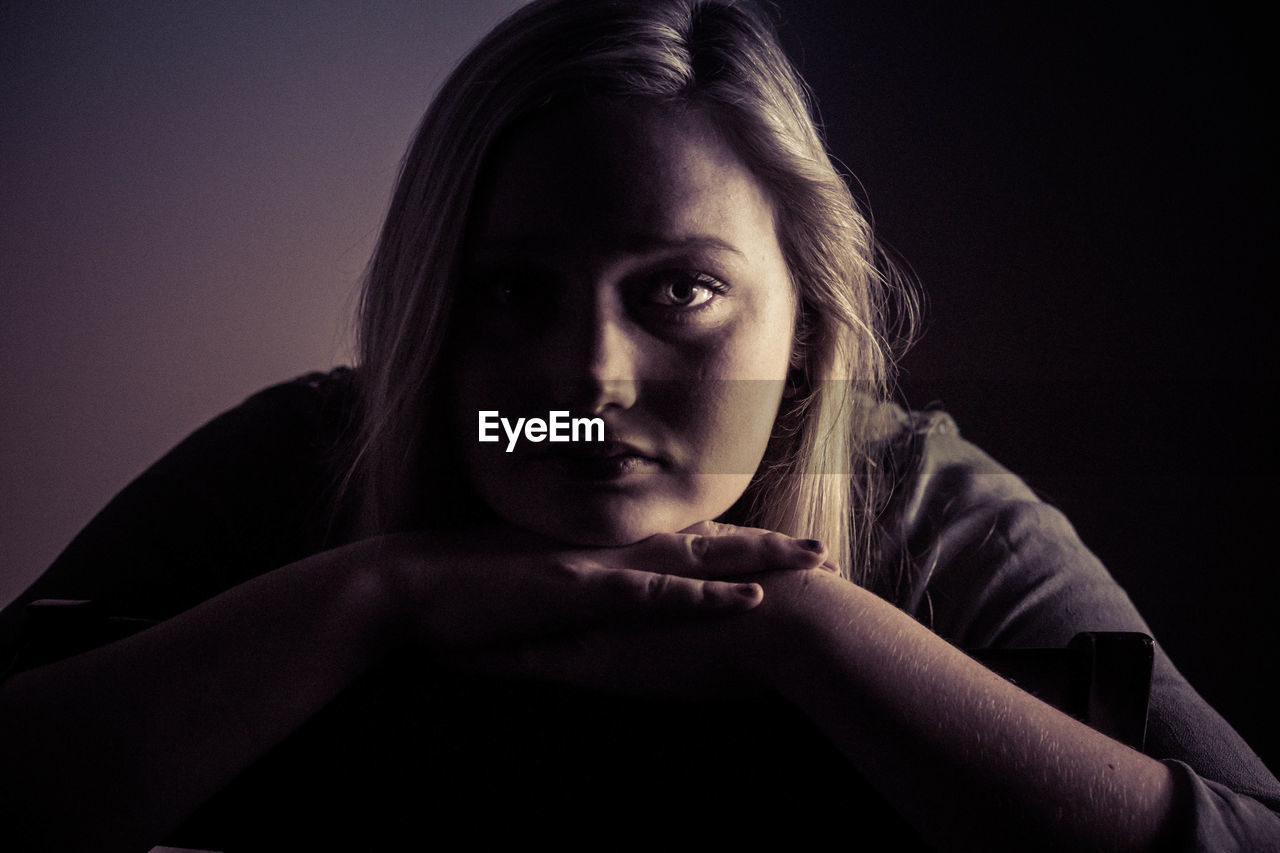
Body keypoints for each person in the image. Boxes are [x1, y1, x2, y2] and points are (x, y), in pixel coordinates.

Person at [1, 0, 1276, 850]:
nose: (589, 379)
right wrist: (375, 595)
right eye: (511, 293)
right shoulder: (302, 459)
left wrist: (809, 631)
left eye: (680, 290)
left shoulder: (922, 502)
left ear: (807, 321)